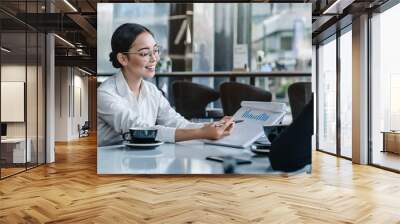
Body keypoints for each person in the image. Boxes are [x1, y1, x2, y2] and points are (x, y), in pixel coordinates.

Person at [97, 23, 234, 146]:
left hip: (140, 160)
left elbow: (177, 122)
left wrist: (213, 126)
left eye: (155, 50)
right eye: (145, 53)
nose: (154, 58)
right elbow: (141, 130)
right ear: (123, 58)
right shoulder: (105, 94)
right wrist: (201, 133)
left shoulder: (151, 91)